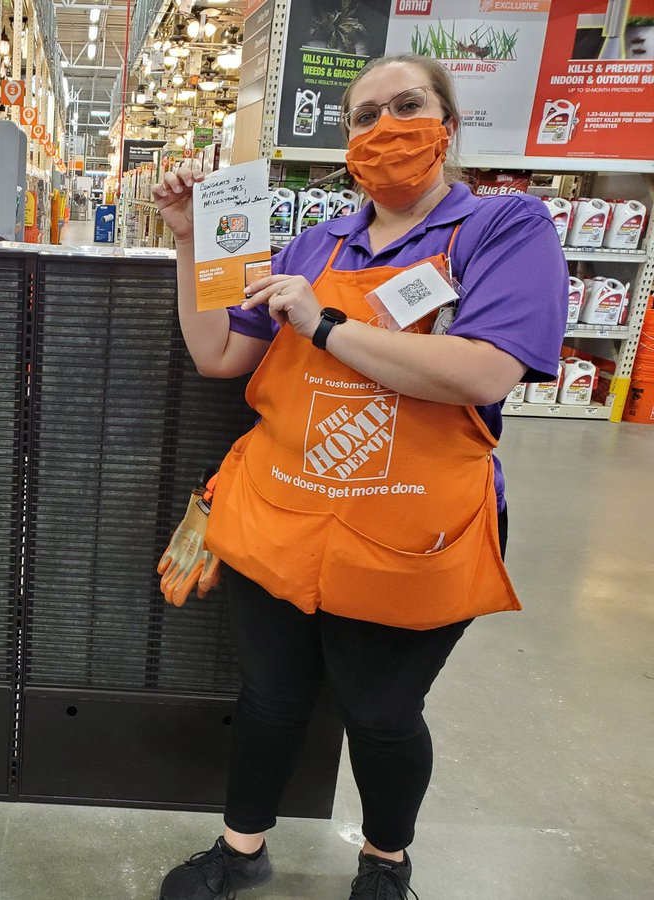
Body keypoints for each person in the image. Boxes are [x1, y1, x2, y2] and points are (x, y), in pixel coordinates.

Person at [152, 54, 565, 900]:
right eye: (362, 116)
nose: (384, 129)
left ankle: (386, 859)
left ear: (447, 121)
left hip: (413, 524)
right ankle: (241, 848)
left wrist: (324, 321)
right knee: (270, 696)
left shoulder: (502, 230)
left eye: (406, 105)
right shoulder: (316, 242)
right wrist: (191, 240)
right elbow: (217, 353)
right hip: (282, 512)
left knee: (379, 713)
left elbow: (484, 372)